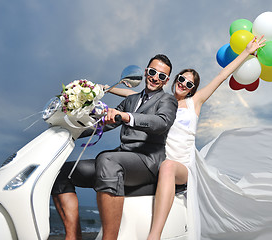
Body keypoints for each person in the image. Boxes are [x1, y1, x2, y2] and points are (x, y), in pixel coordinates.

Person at [107, 35, 272, 240]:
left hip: (184, 165)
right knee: (155, 166)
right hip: (161, 160)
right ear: (173, 79)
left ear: (192, 89)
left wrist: (246, 52)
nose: (184, 84)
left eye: (189, 84)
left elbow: (222, 75)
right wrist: (103, 88)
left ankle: (153, 236)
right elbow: (130, 94)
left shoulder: (194, 103)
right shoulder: (160, 101)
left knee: (167, 167)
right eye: (181, 79)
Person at [51, 54, 178, 240]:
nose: (155, 78)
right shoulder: (131, 100)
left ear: (166, 81)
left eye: (161, 76)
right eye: (152, 72)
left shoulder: (167, 101)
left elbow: (161, 123)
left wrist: (127, 117)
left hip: (147, 162)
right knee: (62, 172)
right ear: (145, 72)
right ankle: (73, 236)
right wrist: (68, 127)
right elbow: (103, 124)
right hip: (121, 159)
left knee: (107, 159)